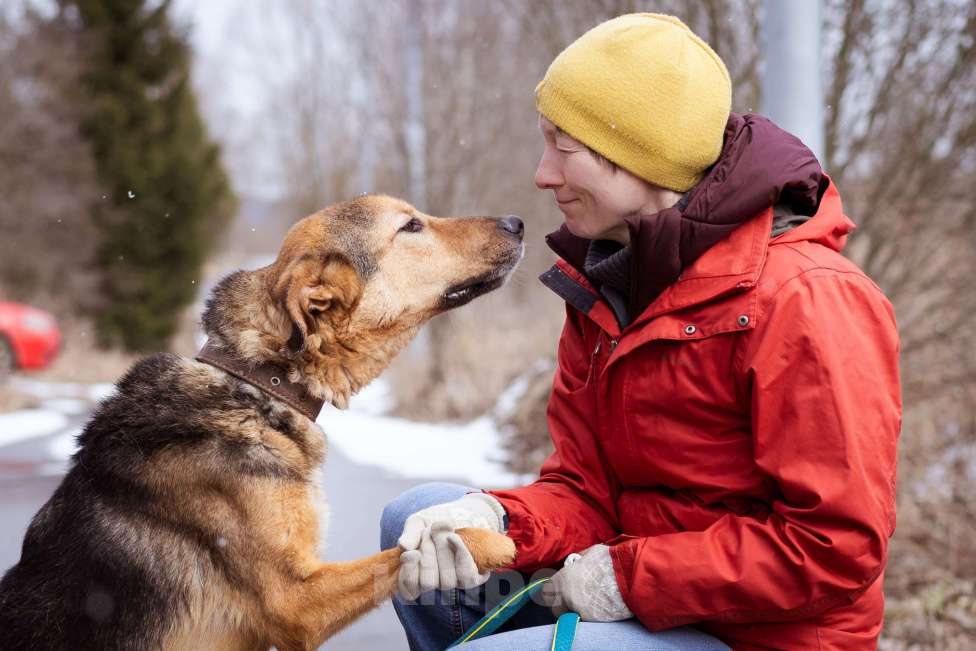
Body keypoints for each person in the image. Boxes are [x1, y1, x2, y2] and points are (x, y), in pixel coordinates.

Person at [381, 13, 900, 651]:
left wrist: (629, 579)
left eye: (563, 147)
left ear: (641, 156)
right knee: (418, 526)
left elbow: (834, 549)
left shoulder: (810, 298)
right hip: (639, 601)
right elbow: (585, 490)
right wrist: (496, 518)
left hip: (757, 636)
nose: (543, 174)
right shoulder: (605, 281)